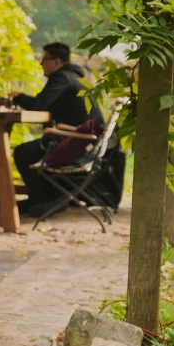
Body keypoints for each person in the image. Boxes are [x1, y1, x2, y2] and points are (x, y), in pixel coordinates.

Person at [10, 42, 104, 218]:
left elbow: (39, 105)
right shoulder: (73, 77)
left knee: (23, 153)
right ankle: (46, 199)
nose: (41, 64)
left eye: (44, 60)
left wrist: (18, 97)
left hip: (77, 141)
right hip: (86, 140)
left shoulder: (62, 78)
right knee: (34, 148)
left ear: (57, 61)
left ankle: (44, 201)